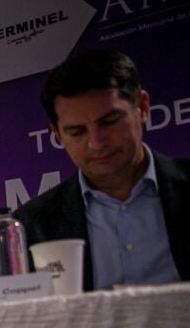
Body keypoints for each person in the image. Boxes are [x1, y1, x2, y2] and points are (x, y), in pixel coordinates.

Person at [14, 50, 190, 291]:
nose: (96, 142)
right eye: (77, 131)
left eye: (109, 121)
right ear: (57, 135)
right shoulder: (32, 224)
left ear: (142, 107)